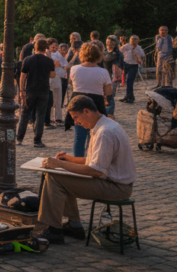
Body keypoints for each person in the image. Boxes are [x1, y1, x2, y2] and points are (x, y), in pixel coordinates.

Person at [35, 95, 136, 244]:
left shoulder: (104, 132)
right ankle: (74, 225)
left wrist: (60, 165)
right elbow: (94, 161)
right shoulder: (102, 126)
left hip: (117, 188)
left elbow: (96, 170)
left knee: (55, 178)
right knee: (60, 175)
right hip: (114, 183)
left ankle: (53, 229)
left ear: (87, 111)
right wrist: (68, 159)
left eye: (76, 117)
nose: (76, 122)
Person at [67, 44, 112, 158]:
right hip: (96, 102)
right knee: (96, 135)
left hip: (78, 100)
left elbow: (71, 82)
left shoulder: (74, 68)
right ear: (98, 56)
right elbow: (109, 91)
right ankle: (94, 159)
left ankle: (78, 161)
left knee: (79, 137)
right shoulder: (103, 72)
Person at [17, 39, 56, 149]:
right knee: (40, 115)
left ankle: (19, 137)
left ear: (35, 48)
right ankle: (37, 140)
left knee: (25, 114)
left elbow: (23, 76)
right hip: (44, 90)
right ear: (45, 49)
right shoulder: (49, 61)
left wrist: (21, 90)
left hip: (30, 90)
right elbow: (52, 75)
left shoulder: (28, 59)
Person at [119, 36, 144, 103]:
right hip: (125, 64)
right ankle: (127, 96)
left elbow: (143, 55)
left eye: (135, 39)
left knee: (130, 81)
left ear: (138, 40)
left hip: (133, 66)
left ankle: (130, 97)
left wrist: (136, 50)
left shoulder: (139, 47)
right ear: (129, 40)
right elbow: (120, 53)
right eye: (132, 39)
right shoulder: (126, 46)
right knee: (125, 82)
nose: (133, 40)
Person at [49, 40, 69, 126]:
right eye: (53, 46)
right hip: (49, 78)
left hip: (57, 78)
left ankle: (58, 117)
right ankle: (49, 117)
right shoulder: (47, 54)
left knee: (58, 97)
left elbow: (64, 64)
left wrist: (59, 65)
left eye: (56, 46)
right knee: (50, 99)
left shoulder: (58, 54)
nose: (55, 48)